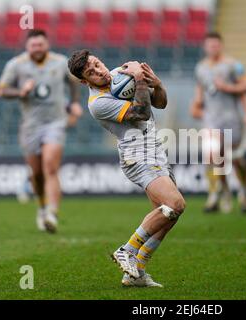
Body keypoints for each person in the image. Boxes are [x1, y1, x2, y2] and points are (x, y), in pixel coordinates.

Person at [67, 50, 186, 287]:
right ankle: (128, 250)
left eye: (97, 64)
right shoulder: (98, 103)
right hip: (137, 155)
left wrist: (156, 83)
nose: (99, 71)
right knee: (175, 204)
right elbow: (140, 112)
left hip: (154, 149)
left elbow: (159, 103)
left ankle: (137, 272)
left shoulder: (121, 75)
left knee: (167, 217)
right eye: (91, 72)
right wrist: (139, 79)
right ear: (84, 81)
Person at [0, 29, 82, 233]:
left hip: (55, 122)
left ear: (47, 44)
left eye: (40, 44)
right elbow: (1, 90)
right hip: (30, 126)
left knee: (50, 166)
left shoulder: (60, 62)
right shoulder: (16, 65)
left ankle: (52, 213)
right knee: (36, 174)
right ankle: (42, 207)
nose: (37, 48)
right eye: (33, 45)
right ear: (27, 47)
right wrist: (20, 91)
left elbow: (75, 83)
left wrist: (75, 104)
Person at [190, 32, 246, 214]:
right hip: (211, 119)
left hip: (231, 117)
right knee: (215, 156)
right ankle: (221, 192)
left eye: (216, 45)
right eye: (210, 45)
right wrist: (196, 106)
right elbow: (200, 91)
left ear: (221, 46)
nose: (213, 48)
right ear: (205, 47)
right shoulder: (200, 68)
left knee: (235, 158)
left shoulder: (233, 65)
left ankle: (244, 189)